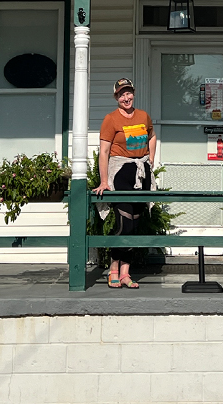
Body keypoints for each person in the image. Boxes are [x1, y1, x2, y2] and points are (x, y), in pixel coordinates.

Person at [94, 77, 157, 288]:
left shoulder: (143, 116)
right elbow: (104, 151)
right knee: (124, 222)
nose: (126, 97)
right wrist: (104, 181)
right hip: (121, 170)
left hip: (141, 171)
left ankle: (126, 273)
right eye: (121, 94)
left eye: (128, 93)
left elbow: (152, 137)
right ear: (116, 97)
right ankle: (113, 268)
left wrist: (151, 160)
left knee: (136, 222)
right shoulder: (110, 119)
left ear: (134, 93)